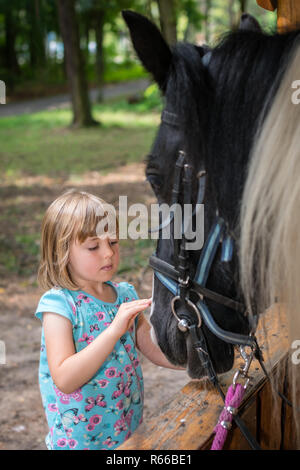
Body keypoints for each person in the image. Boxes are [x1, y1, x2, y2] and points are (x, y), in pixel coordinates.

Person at [35, 189, 182, 450]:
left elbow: (153, 348)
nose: (108, 253)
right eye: (93, 246)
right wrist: (114, 331)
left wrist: (193, 365)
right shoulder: (58, 306)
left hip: (127, 432)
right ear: (62, 252)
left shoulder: (124, 295)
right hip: (79, 444)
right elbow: (65, 379)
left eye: (113, 242)